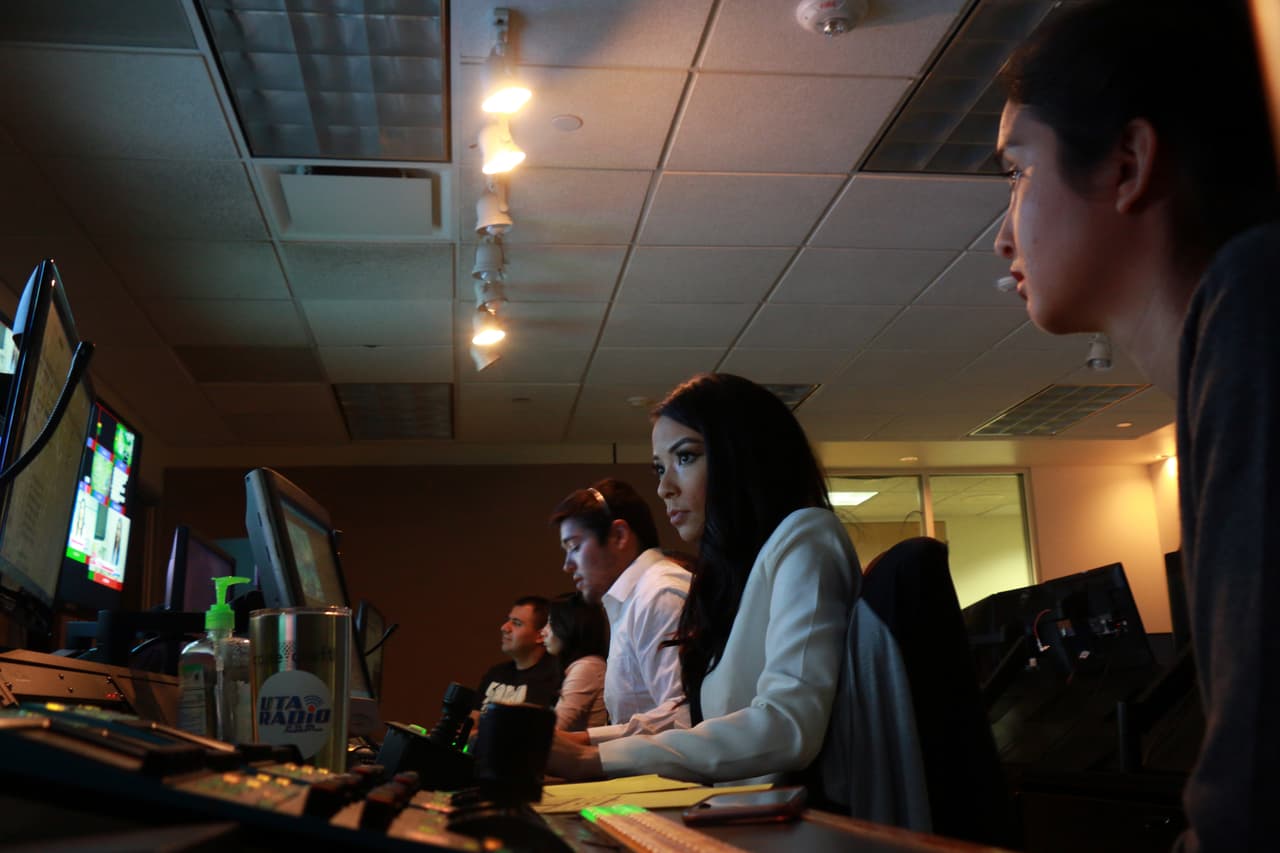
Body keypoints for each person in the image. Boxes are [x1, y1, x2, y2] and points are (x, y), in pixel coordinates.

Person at [993, 2, 1280, 849]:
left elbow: (1254, 814)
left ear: (1127, 162)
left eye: (1018, 172)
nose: (1004, 235)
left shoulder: (1253, 303)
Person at [547, 374, 881, 793]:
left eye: (685, 458)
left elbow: (788, 726)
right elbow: (698, 720)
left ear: (743, 456)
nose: (665, 488)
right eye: (659, 468)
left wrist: (589, 759)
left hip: (786, 821)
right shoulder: (730, 577)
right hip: (742, 810)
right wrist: (585, 742)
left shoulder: (805, 536)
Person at [549, 478, 691, 742]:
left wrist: (582, 743)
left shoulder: (658, 594)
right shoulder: (631, 599)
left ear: (619, 536)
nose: (567, 565)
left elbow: (686, 718)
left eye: (575, 547)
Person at [474, 595, 560, 711]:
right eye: (508, 620)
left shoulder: (555, 677)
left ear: (541, 635)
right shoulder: (496, 673)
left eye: (517, 623)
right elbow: (473, 721)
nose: (504, 628)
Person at [542, 592, 610, 731]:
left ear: (570, 625)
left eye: (551, 623)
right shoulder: (586, 665)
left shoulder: (587, 667)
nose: (543, 632)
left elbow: (553, 730)